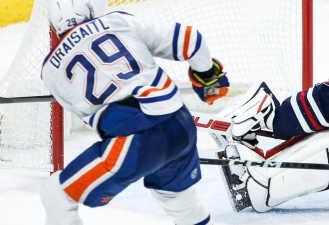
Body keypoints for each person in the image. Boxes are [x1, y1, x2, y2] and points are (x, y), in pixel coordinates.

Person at [39, 0, 229, 224]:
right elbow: (191, 40)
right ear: (91, 9)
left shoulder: (50, 71)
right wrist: (208, 78)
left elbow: (91, 115)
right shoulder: (118, 20)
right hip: (180, 125)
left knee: (56, 193)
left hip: (138, 142)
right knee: (176, 197)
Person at [218, 18, 329, 213]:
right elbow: (327, 102)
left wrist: (277, 121)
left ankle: (267, 185)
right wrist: (277, 121)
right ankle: (267, 184)